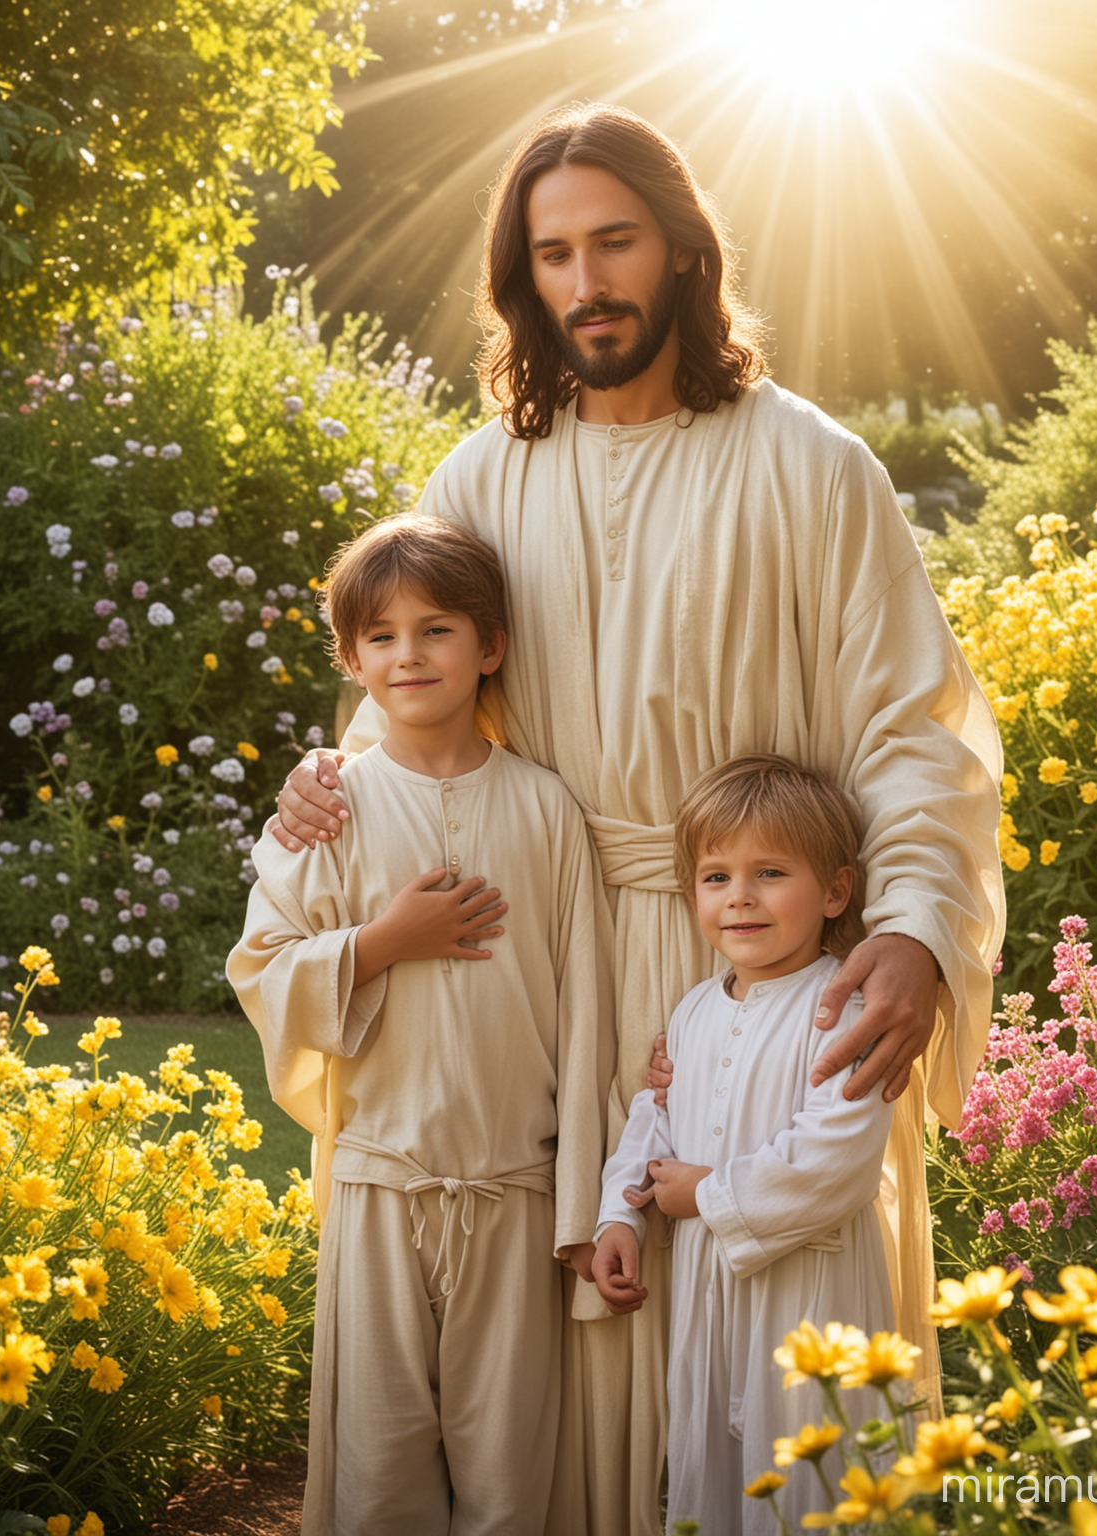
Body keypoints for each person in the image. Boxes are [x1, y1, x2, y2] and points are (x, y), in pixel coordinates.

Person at [274, 103, 1004, 1535]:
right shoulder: (482, 477)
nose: (587, 279)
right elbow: (414, 701)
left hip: (766, 962)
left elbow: (910, 731)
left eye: (614, 240)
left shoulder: (811, 466)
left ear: (679, 250)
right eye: (554, 253)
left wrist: (914, 926)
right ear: (522, 279)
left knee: (767, 1313)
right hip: (537, 964)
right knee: (538, 1347)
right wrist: (330, 779)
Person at [228, 513, 614, 1536]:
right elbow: (260, 969)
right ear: (351, 659)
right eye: (383, 636)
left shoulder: (545, 809)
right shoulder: (332, 808)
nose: (410, 654)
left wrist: (582, 1202)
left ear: (489, 648)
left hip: (517, 1194)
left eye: (437, 629)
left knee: (508, 1470)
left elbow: (588, 1013)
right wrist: (381, 941)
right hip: (381, 1183)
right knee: (378, 1465)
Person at [593, 754, 899, 1535]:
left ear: (835, 891)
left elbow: (839, 1154)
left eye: (769, 873)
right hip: (707, 1290)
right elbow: (655, 1118)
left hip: (808, 1289)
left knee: (811, 1473)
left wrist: (706, 1195)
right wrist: (619, 1217)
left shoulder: (844, 1006)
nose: (740, 899)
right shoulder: (696, 1009)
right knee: (713, 1472)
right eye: (716, 878)